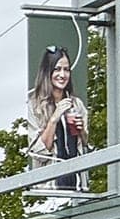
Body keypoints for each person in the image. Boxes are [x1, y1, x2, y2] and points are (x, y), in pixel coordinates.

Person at [28, 46, 90, 193]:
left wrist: (81, 131)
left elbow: (86, 146)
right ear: (47, 72)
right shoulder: (34, 106)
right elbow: (39, 154)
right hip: (49, 191)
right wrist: (54, 118)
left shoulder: (76, 104)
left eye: (66, 69)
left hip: (77, 187)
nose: (62, 75)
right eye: (57, 69)